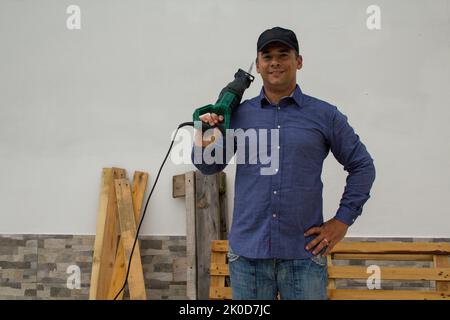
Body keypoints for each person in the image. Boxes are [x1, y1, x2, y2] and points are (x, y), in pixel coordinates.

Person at [191, 27, 376, 300]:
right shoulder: (238, 116)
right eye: (267, 56)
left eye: (283, 54)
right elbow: (208, 166)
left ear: (298, 61)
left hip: (303, 256)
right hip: (248, 257)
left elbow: (362, 166)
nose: (274, 62)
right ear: (258, 64)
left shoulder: (325, 115)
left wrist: (342, 221)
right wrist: (206, 132)